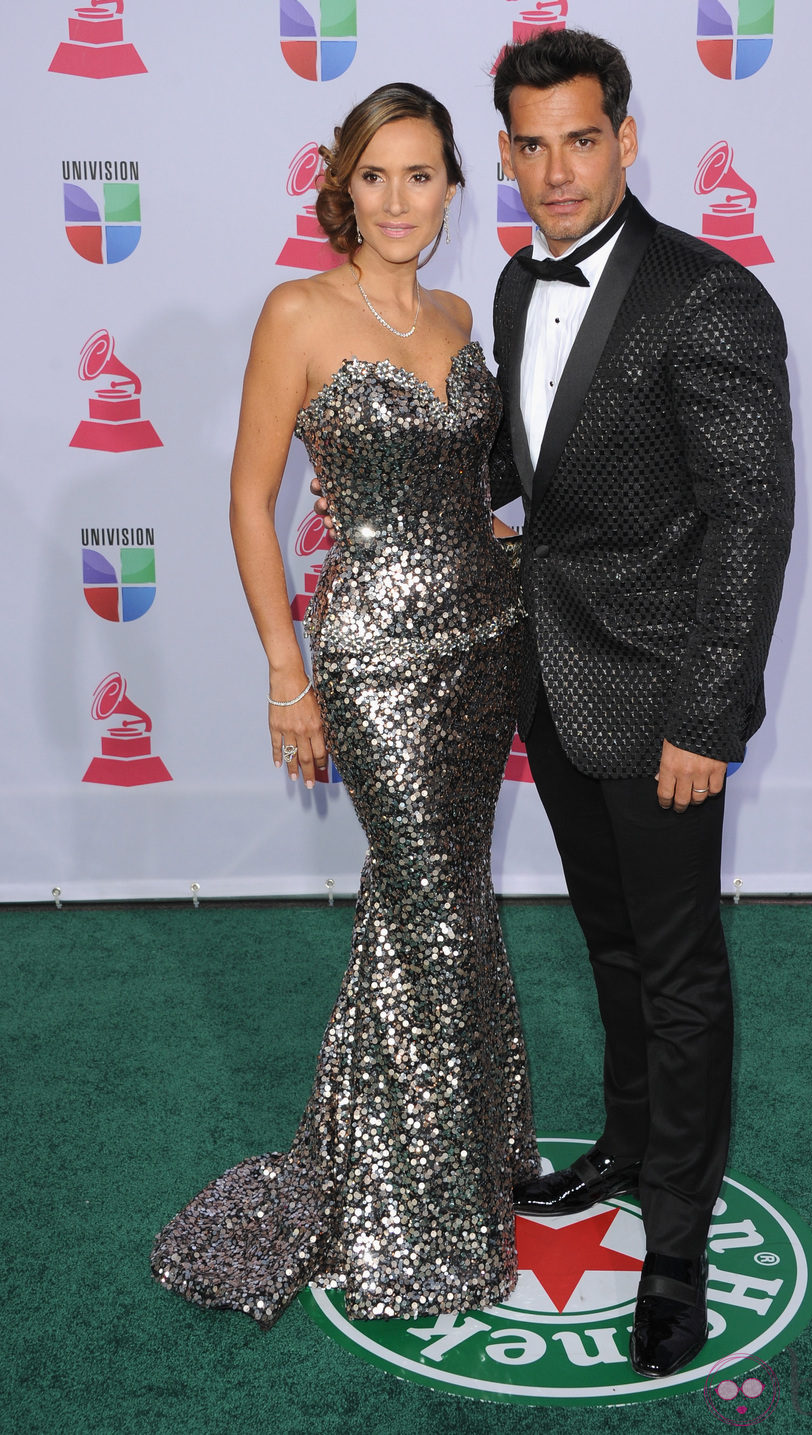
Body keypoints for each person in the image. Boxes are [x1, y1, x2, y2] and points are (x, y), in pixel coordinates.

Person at [150, 82, 539, 1329]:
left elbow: (458, 484)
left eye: (420, 175)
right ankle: (412, 1211)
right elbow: (248, 498)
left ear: (450, 187)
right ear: (341, 184)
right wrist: (285, 670)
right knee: (430, 902)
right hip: (372, 654)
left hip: (486, 640)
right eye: (374, 175)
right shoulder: (298, 312)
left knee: (440, 898)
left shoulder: (460, 311)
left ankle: (452, 1163)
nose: (397, 200)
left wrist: (494, 544)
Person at [488, 30, 795, 1378]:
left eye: (582, 139)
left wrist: (707, 714)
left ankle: (675, 1243)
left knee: (679, 968)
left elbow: (749, 521)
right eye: (533, 145)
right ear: (507, 154)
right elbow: (530, 474)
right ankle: (622, 1140)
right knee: (610, 944)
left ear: (627, 136)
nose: (558, 171)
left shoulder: (711, 297)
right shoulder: (510, 282)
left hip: (666, 698)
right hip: (553, 684)